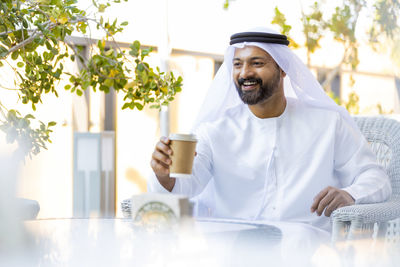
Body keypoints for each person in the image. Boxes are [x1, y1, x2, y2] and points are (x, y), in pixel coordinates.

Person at [148, 27, 392, 231]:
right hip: (232, 250)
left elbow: (376, 178)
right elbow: (185, 187)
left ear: (283, 68)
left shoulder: (328, 124)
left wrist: (350, 194)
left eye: (257, 63)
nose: (245, 73)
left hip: (306, 249)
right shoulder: (215, 130)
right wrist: (163, 175)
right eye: (237, 64)